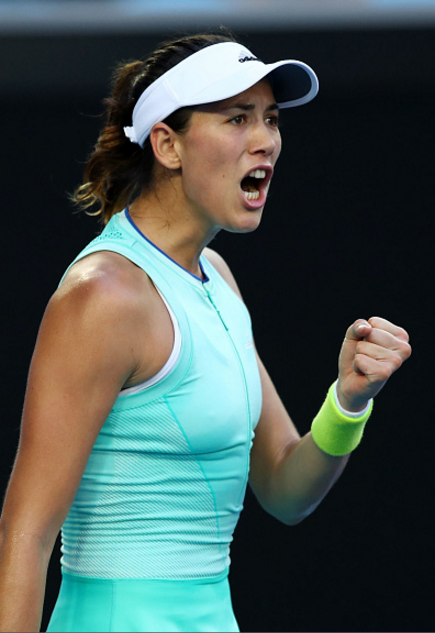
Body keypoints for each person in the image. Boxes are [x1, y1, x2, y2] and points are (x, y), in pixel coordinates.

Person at [0, 32, 411, 633]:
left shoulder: (216, 277)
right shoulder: (102, 295)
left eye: (270, 118)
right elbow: (27, 532)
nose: (266, 139)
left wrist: (347, 401)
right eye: (236, 118)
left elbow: (285, 489)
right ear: (168, 145)